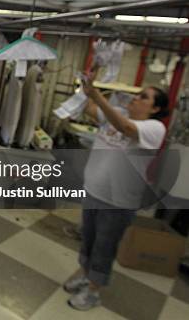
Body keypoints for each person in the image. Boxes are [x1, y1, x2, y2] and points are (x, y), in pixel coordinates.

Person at [64, 73, 169, 310]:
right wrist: (94, 84)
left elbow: (125, 128)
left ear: (155, 108)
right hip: (94, 191)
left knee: (104, 246)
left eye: (143, 97)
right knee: (88, 240)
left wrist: (100, 97)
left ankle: (93, 292)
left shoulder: (154, 128)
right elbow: (92, 109)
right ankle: (85, 275)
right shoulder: (119, 113)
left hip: (117, 202)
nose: (135, 98)